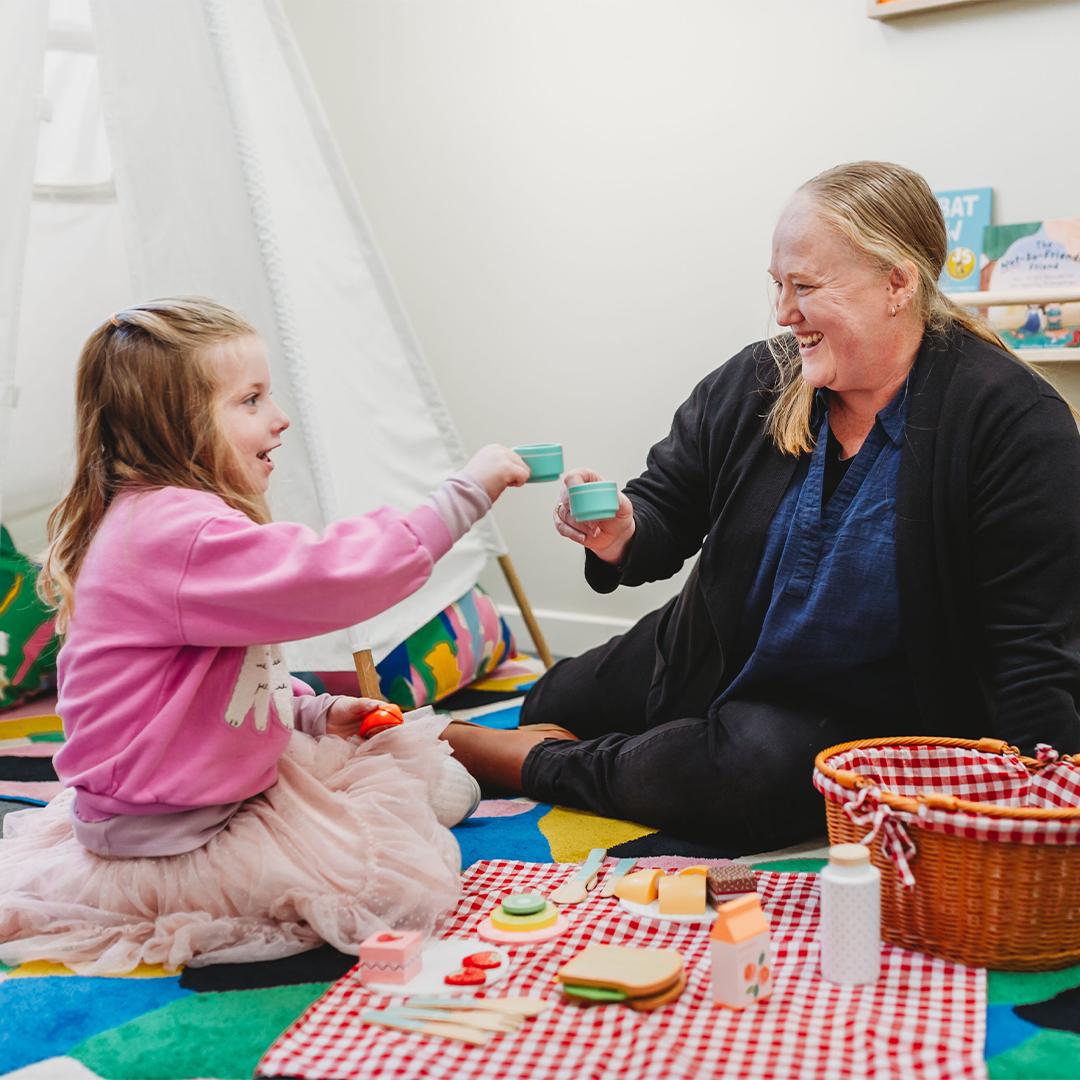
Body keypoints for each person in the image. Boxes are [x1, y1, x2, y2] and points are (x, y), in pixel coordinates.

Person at [444, 161, 1080, 853]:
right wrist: (621, 531)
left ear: (898, 284)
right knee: (550, 701)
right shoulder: (758, 379)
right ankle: (598, 741)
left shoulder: (1013, 422)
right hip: (714, 651)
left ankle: (538, 764)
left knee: (744, 777)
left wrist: (1039, 806)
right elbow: (665, 506)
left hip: (861, 713)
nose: (783, 312)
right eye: (777, 285)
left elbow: (1032, 648)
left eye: (804, 286)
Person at [0, 297, 529, 973]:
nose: (278, 418)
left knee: (423, 778)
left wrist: (312, 711)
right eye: (251, 400)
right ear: (178, 426)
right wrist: (467, 493)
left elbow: (213, 684)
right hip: (173, 834)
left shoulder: (175, 520)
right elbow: (339, 576)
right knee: (385, 885)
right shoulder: (173, 532)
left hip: (212, 781)